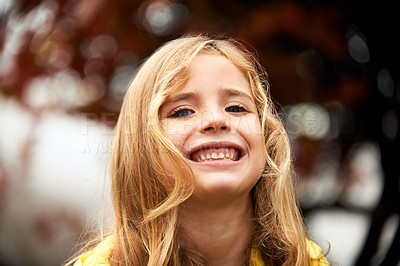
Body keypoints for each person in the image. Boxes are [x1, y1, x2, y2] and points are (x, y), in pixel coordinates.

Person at [69, 35, 329, 265]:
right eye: (182, 111)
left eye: (237, 108)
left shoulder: (306, 261)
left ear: (267, 137)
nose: (216, 119)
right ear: (140, 148)